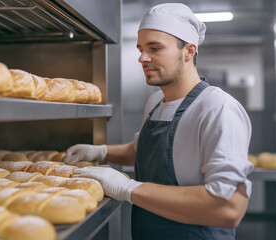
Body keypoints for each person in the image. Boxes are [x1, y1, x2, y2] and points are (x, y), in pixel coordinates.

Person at [63, 3, 254, 240]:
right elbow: (141, 151)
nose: (143, 58)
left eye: (155, 48)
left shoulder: (217, 109)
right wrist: (100, 151)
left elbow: (229, 208)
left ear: (189, 51)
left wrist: (127, 188)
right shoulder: (155, 103)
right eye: (140, 48)